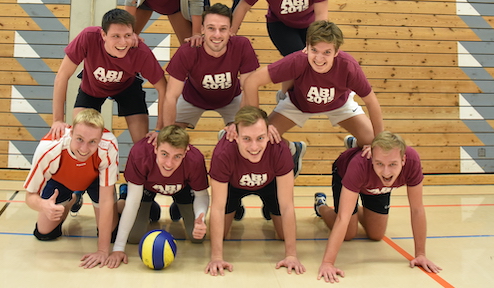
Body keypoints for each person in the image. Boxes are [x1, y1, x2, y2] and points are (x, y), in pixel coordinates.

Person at [242, 20, 384, 177]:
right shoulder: (297, 60)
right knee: (262, 139)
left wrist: (378, 144)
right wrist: (258, 124)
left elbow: (372, 102)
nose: (319, 58)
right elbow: (251, 82)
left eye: (327, 52)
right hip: (298, 104)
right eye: (314, 50)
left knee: (373, 143)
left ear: (337, 52)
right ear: (306, 48)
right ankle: (292, 149)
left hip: (339, 104)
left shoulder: (348, 66)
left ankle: (354, 145)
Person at [315, 131, 442, 282]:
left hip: (377, 185)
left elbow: (417, 209)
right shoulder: (359, 164)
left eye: (393, 164)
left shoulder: (412, 161)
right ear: (372, 159)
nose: (387, 172)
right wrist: (327, 263)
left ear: (403, 160)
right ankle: (321, 206)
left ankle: (354, 212)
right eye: (380, 163)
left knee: (376, 234)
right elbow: (343, 217)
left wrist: (420, 254)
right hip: (348, 173)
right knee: (349, 232)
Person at [205, 106, 305, 276]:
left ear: (268, 133)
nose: (254, 146)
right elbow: (217, 207)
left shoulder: (279, 148)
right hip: (234, 184)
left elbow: (287, 205)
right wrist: (216, 257)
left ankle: (269, 206)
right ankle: (236, 207)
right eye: (246, 139)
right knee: (220, 235)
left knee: (282, 235)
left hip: (269, 182)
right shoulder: (223, 153)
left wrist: (291, 255)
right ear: (235, 136)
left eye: (260, 138)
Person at [47, 8, 167, 144]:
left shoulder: (140, 52)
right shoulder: (88, 37)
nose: (122, 42)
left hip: (128, 87)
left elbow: (163, 88)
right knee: (82, 137)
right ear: (103, 35)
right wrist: (57, 120)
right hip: (92, 87)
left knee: (143, 145)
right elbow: (62, 75)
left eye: (127, 35)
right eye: (116, 36)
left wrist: (159, 129)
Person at [23, 109, 118, 269]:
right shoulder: (48, 147)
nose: (84, 148)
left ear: (100, 139)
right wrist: (44, 205)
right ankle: (73, 198)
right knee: (44, 234)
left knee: (111, 235)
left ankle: (115, 199)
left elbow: (107, 199)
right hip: (61, 182)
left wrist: (102, 250)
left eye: (92, 142)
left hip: (95, 181)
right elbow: (30, 196)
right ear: (71, 132)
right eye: (79, 139)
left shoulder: (108, 145)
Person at [105, 125, 209, 268]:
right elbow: (133, 202)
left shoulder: (195, 159)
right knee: (134, 237)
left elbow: (202, 195)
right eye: (164, 154)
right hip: (146, 188)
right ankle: (148, 207)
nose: (169, 163)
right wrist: (118, 249)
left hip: (181, 189)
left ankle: (179, 206)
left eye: (177, 156)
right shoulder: (140, 153)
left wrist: (201, 217)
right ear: (155, 148)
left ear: (185, 152)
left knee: (198, 237)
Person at [163, 3, 259, 130]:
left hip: (231, 99)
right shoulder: (188, 51)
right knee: (171, 131)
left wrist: (244, 126)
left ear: (231, 30)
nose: (217, 35)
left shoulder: (242, 46)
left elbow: (249, 89)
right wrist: (167, 134)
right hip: (191, 98)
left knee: (245, 131)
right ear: (202, 29)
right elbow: (171, 95)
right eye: (211, 28)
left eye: (223, 29)